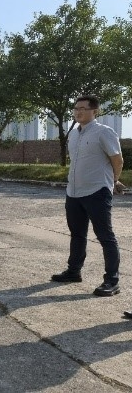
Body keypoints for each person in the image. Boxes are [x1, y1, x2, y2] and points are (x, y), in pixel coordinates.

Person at [51, 95, 124, 297]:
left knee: (105, 236)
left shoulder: (104, 132)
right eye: (76, 108)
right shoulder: (74, 134)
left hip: (97, 191)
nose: (78, 112)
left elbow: (117, 160)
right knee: (77, 234)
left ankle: (112, 281)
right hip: (74, 192)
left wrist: (113, 181)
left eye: (83, 108)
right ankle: (73, 271)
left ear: (95, 111)